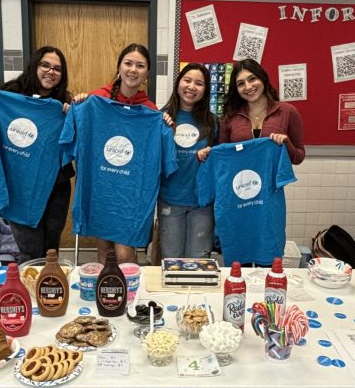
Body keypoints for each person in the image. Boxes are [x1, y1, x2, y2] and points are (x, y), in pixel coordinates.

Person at [0, 46, 73, 261]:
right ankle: (28, 291)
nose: (51, 72)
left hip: (55, 185)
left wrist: (71, 117)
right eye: (45, 65)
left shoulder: (64, 103)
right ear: (34, 66)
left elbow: (73, 146)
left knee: (51, 246)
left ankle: (50, 289)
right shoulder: (10, 96)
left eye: (57, 68)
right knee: (29, 247)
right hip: (18, 185)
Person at [74, 43, 159, 262]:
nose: (133, 70)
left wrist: (166, 123)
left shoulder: (150, 111)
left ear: (147, 73)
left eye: (140, 66)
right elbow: (75, 136)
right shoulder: (96, 100)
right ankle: (107, 293)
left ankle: (132, 293)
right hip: (102, 189)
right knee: (105, 252)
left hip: (130, 195)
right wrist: (77, 106)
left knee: (123, 252)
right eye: (128, 63)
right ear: (119, 67)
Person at [158, 63, 218, 258]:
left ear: (205, 90)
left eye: (199, 83)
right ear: (178, 84)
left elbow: (221, 160)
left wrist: (211, 153)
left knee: (199, 262)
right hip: (170, 199)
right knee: (171, 260)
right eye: (187, 80)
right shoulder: (161, 118)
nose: (192, 87)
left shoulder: (213, 122)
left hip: (202, 202)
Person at [218, 59, 306, 165]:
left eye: (252, 79)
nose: (248, 86)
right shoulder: (230, 116)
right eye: (241, 83)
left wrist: (286, 143)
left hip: (273, 181)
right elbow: (222, 156)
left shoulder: (288, 111)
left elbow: (298, 158)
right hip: (238, 180)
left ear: (263, 78)